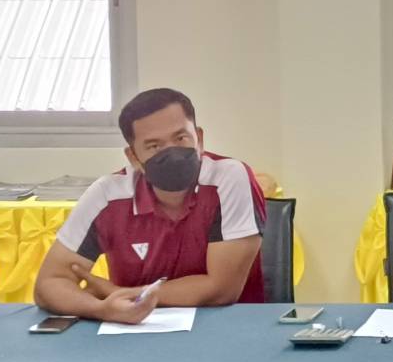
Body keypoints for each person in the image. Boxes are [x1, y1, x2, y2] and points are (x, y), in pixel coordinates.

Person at [35, 88, 267, 323]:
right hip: (133, 331)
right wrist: (101, 309)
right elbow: (50, 283)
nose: (172, 153)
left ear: (199, 138)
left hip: (229, 329)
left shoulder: (228, 178)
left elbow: (222, 290)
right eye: (154, 146)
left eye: (180, 138)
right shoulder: (107, 195)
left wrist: (120, 293)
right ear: (134, 157)